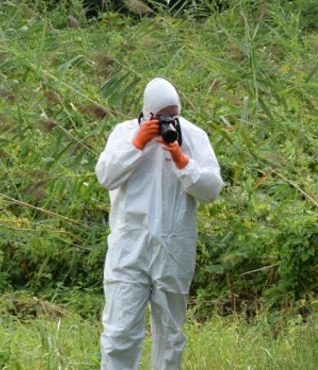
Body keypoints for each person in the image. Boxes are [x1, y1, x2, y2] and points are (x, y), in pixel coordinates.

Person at [95, 77, 224, 370]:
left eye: (173, 114)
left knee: (170, 337)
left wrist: (182, 161)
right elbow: (106, 176)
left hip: (174, 249)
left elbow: (211, 190)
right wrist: (138, 143)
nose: (168, 121)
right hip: (129, 250)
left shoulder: (193, 136)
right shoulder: (124, 133)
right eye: (161, 115)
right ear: (147, 112)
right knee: (119, 333)